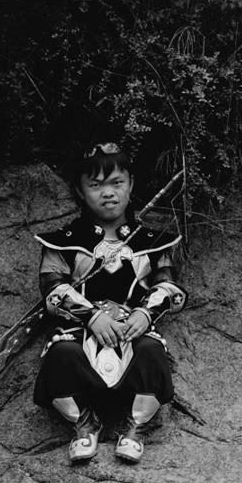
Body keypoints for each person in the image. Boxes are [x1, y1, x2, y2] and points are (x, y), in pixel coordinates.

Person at [33, 142, 186, 463]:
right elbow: (53, 289)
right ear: (80, 190)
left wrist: (146, 313)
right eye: (96, 184)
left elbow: (169, 287)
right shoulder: (63, 242)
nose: (108, 193)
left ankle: (135, 426)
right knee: (60, 357)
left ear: (130, 184)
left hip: (133, 333)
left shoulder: (153, 243)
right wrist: (91, 317)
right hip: (80, 334)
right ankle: (84, 423)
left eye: (117, 182)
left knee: (152, 353)